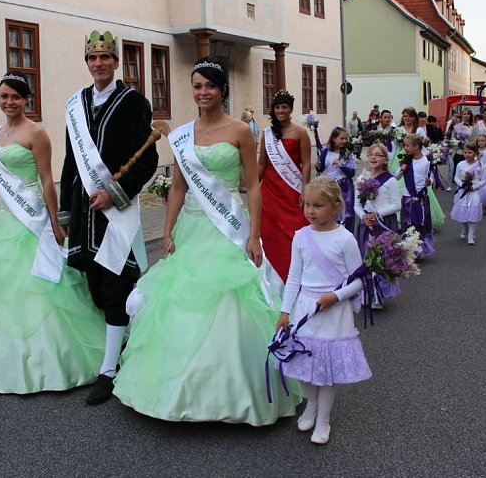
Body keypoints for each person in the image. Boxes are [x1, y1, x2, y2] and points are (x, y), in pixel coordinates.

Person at [113, 57, 300, 425]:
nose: (203, 92)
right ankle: (178, 390)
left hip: (228, 228)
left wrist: (255, 235)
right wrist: (166, 231)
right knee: (182, 300)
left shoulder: (241, 131)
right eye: (197, 86)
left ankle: (232, 392)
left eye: (209, 86)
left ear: (222, 90)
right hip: (192, 227)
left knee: (231, 302)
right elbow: (179, 186)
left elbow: (251, 187)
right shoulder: (183, 134)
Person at [0, 73, 106, 394]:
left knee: (41, 285)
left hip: (32, 220)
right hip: (5, 221)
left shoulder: (37, 133)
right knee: (5, 289)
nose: (9, 102)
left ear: (26, 100)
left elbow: (47, 180)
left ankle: (55, 360)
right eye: (4, 96)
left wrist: (55, 221)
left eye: (15, 97)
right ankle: (6, 361)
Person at [59, 30, 158, 404]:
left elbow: (147, 159)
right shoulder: (76, 103)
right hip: (84, 210)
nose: (98, 64)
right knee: (94, 285)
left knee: (117, 283)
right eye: (92, 58)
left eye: (105, 57)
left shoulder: (133, 102)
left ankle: (109, 371)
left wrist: (116, 192)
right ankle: (121, 344)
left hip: (116, 211)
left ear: (116, 62)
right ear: (87, 63)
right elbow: (72, 159)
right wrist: (66, 211)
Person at [276, 176, 372, 445]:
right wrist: (285, 312)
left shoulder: (345, 239)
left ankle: (323, 419)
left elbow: (358, 279)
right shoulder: (300, 237)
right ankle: (311, 405)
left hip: (332, 311)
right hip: (306, 309)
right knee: (304, 364)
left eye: (318, 205)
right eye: (307, 205)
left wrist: (336, 296)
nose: (310, 211)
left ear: (336, 206)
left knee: (327, 371)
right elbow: (294, 277)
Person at [258, 90, 311, 282]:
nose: (281, 110)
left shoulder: (300, 133)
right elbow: (262, 163)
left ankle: (297, 274)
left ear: (291, 110)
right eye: (277, 107)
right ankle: (271, 277)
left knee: (295, 230)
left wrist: (305, 189)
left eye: (284, 107)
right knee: (269, 232)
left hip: (291, 190)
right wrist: (254, 186)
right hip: (270, 191)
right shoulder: (267, 134)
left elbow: (306, 163)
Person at [354, 144, 402, 307]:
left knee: (380, 259)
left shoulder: (390, 180)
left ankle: (378, 295)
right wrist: (363, 216)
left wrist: (378, 214)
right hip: (366, 223)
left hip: (383, 223)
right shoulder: (362, 178)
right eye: (370, 155)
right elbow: (356, 204)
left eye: (378, 155)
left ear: (385, 159)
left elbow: (397, 205)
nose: (373, 157)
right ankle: (367, 292)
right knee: (366, 258)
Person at [394, 107, 444, 228]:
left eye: (410, 116)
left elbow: (423, 147)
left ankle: (421, 220)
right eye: (405, 116)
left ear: (414, 118)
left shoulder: (419, 130)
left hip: (417, 158)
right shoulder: (398, 129)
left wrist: (427, 157)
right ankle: (404, 221)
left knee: (419, 185)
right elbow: (394, 146)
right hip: (401, 158)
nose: (407, 118)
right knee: (403, 187)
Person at [398, 134, 434, 258]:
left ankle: (419, 249)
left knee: (419, 223)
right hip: (407, 196)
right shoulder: (406, 161)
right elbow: (396, 177)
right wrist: (401, 169)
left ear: (417, 147)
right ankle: (407, 249)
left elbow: (430, 177)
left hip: (420, 197)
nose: (405, 148)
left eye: (407, 145)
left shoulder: (426, 161)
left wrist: (430, 182)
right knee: (407, 222)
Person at [317, 127, 357, 232]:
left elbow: (352, 173)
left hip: (345, 186)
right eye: (341, 138)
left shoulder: (347, 153)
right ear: (334, 139)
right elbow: (321, 168)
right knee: (331, 211)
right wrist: (317, 166)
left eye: (346, 138)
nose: (344, 141)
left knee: (347, 212)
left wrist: (341, 165)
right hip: (330, 186)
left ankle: (347, 233)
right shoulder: (326, 152)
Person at [451, 143, 486, 245]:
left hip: (474, 192)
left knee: (473, 213)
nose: (467, 154)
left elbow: (484, 179)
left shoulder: (480, 166)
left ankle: (471, 236)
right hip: (463, 191)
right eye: (465, 152)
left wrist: (475, 186)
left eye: (470, 152)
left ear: (476, 153)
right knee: (463, 212)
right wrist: (462, 185)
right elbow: (456, 177)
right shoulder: (460, 164)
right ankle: (465, 227)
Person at [444, 112, 462, 186]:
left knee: (459, 167)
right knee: (451, 167)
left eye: (458, 118)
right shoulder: (450, 127)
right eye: (455, 117)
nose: (456, 119)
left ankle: (459, 183)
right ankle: (449, 184)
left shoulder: (461, 128)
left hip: (459, 150)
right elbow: (446, 138)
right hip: (451, 150)